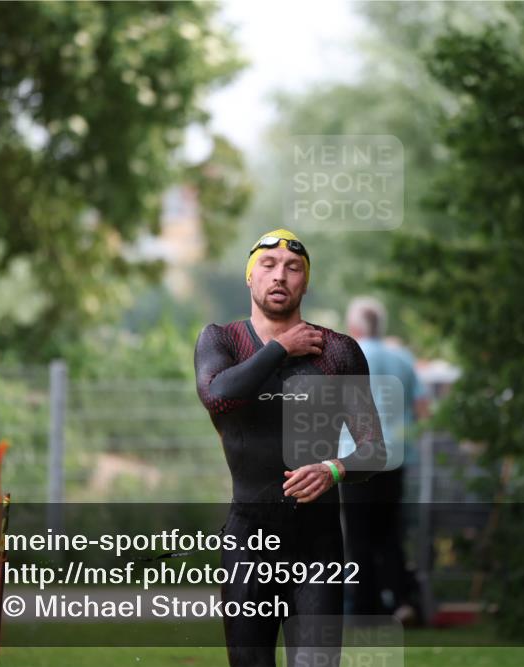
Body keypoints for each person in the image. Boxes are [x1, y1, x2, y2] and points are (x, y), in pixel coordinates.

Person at [194, 229, 387, 666]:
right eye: (268, 265)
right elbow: (220, 395)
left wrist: (333, 469)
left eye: (292, 268)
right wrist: (281, 348)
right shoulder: (220, 341)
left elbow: (374, 449)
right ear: (250, 278)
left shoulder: (338, 352)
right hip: (247, 542)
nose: (279, 276)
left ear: (305, 282)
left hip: (316, 546)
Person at [340, 296, 430, 622]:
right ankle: (402, 602)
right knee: (390, 532)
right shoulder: (403, 359)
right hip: (395, 456)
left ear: (353, 327)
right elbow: (423, 408)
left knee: (359, 536)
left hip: (356, 459)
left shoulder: (347, 355)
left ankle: (366, 607)